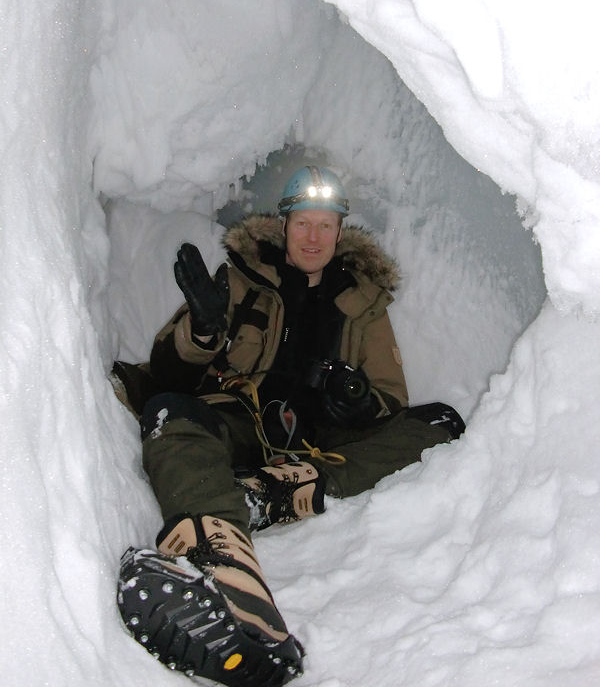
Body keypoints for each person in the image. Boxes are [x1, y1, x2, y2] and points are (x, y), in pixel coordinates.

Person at [115, 165, 464, 687]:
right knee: (171, 413)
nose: (314, 237)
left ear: (341, 232)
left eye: (326, 225)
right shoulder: (240, 279)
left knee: (438, 422)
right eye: (304, 223)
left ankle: (275, 492)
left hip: (315, 446)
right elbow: (169, 368)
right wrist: (203, 331)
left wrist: (359, 404)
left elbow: (391, 399)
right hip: (239, 419)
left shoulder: (363, 303)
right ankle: (234, 593)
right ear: (284, 225)